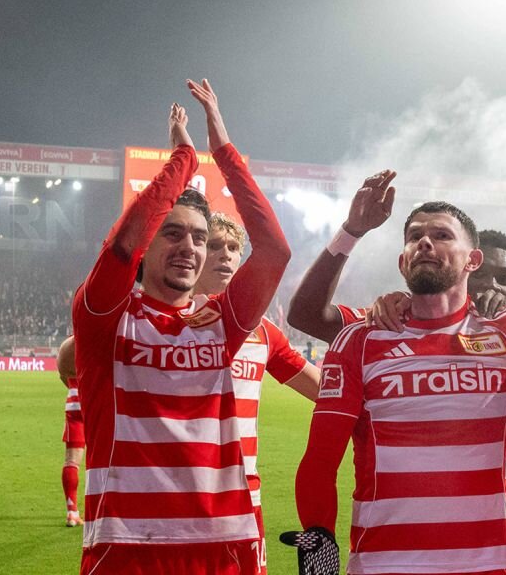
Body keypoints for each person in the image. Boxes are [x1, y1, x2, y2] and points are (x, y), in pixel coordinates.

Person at [285, 201, 506, 575]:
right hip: (382, 565)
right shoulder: (366, 335)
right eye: (415, 237)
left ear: (471, 260)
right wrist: (319, 538)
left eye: (441, 235)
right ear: (402, 261)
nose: (425, 242)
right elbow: (320, 457)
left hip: (486, 564)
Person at [72, 82, 290, 575]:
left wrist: (224, 151)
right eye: (172, 233)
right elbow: (121, 245)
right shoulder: (105, 317)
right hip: (126, 543)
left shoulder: (222, 323)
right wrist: (185, 159)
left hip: (224, 542)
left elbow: (274, 250)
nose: (189, 248)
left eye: (198, 237)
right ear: (148, 244)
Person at [285, 172, 506, 502]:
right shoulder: (388, 323)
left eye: (505, 279)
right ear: (467, 266)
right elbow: (306, 314)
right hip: (392, 527)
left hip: (488, 525)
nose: (492, 286)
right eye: (484, 275)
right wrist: (351, 232)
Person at [194, 210, 321, 575]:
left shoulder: (262, 332)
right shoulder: (166, 319)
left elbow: (324, 389)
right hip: (181, 497)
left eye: (234, 248)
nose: (226, 254)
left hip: (245, 497)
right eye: (214, 245)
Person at [57, 335, 85, 527]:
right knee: (104, 459)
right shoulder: (101, 338)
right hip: (97, 400)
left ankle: (72, 512)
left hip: (74, 401)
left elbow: (63, 376)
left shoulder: (67, 346)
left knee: (71, 460)